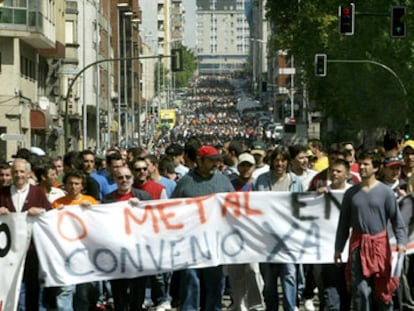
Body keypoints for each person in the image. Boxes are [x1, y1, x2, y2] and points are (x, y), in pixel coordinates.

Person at [334, 150, 407, 310]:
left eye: (366, 164)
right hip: (358, 248)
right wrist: (338, 248)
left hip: (380, 247)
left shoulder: (386, 193)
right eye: (360, 164)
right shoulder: (351, 194)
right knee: (360, 291)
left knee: (383, 292)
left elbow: (397, 222)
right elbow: (343, 224)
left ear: (375, 168)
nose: (362, 167)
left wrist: (401, 243)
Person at [171, 145, 235, 311]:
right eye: (212, 160)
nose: (216, 163)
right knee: (190, 283)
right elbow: (171, 209)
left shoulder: (223, 181)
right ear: (199, 161)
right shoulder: (185, 183)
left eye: (217, 160)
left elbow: (234, 207)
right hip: (190, 244)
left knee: (215, 285)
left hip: (215, 244)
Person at [254, 145, 304, 311]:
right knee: (269, 280)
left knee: (289, 276)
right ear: (271, 162)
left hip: (289, 239)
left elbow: (302, 208)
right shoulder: (261, 181)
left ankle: (291, 307)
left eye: (283, 160)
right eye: (276, 160)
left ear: (287, 162)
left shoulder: (296, 182)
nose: (279, 164)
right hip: (267, 239)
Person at [0, 158, 52, 311]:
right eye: (15, 171)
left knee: (32, 287)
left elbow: (50, 216)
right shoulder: (3, 193)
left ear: (28, 173)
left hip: (32, 250)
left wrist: (41, 211)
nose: (18, 175)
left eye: (22, 171)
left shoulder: (37, 192)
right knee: (10, 285)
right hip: (9, 252)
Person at [102, 166, 153, 311]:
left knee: (138, 291)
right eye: (120, 177)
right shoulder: (108, 200)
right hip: (117, 252)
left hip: (139, 252)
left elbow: (154, 221)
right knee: (119, 292)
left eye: (127, 177)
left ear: (132, 178)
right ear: (114, 180)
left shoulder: (144, 197)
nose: (124, 180)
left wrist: (142, 207)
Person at [51, 169, 99, 311]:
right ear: (64, 185)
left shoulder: (90, 202)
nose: (73, 186)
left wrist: (91, 211)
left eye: (77, 183)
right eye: (70, 183)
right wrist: (54, 213)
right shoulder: (56, 203)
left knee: (82, 291)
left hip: (84, 253)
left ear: (82, 186)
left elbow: (98, 225)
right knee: (65, 289)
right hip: (64, 253)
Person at [226, 152, 265, 311]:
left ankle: (256, 304)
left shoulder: (258, 186)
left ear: (254, 167)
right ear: (238, 167)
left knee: (252, 270)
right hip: (232, 233)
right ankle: (239, 304)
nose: (245, 169)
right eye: (242, 165)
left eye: (249, 166)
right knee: (235, 271)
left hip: (253, 234)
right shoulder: (229, 185)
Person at [313, 159, 352, 311]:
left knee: (346, 293)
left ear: (347, 174)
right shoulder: (322, 192)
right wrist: (316, 198)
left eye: (339, 171)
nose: (334, 174)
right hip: (327, 250)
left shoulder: (354, 192)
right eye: (332, 171)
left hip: (349, 250)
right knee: (331, 294)